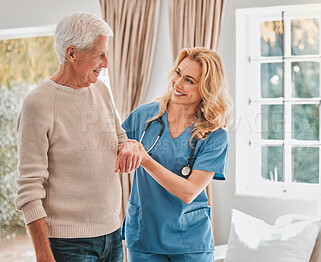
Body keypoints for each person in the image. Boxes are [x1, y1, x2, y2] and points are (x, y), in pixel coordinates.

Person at [15, 12, 133, 262]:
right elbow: (29, 188)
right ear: (71, 54)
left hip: (112, 234)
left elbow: (121, 139)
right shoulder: (39, 103)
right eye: (99, 54)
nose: (106, 62)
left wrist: (129, 147)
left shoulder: (100, 89)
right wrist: (43, 254)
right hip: (68, 244)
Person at [116, 47, 232, 261]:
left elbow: (189, 192)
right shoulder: (144, 116)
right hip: (144, 237)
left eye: (189, 80)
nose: (177, 84)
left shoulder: (215, 136)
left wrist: (145, 159)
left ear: (206, 89)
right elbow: (112, 151)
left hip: (190, 241)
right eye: (178, 73)